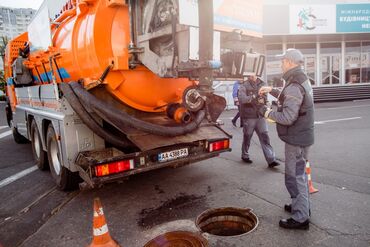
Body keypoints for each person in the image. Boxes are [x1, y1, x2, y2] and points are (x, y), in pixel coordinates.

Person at [258, 48, 315, 230]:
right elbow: (291, 98)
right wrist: (272, 90)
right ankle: (302, 207)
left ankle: (300, 218)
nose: (281, 63)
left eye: (283, 61)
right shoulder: (300, 79)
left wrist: (266, 111)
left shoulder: (294, 85)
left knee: (294, 177)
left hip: (296, 139)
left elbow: (288, 117)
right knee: (300, 176)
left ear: (290, 62)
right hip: (302, 136)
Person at [238, 74, 280, 168]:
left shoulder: (263, 83)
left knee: (265, 136)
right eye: (249, 74)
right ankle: (245, 154)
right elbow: (242, 99)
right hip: (249, 116)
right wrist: (254, 96)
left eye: (253, 74)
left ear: (256, 73)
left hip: (260, 115)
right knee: (247, 136)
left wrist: (265, 102)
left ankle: (271, 160)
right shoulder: (244, 85)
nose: (250, 76)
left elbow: (265, 98)